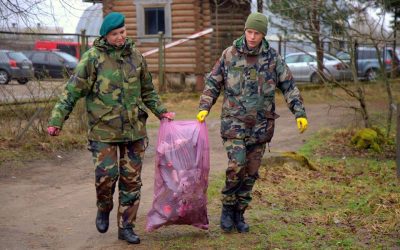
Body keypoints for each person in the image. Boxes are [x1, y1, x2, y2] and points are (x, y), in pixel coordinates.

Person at [47, 12, 174, 244]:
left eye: (122, 32)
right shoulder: (93, 58)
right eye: (115, 34)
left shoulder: (136, 57)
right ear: (106, 36)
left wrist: (161, 111)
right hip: (103, 130)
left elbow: (148, 91)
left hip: (134, 130)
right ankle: (104, 206)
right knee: (106, 177)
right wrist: (57, 120)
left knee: (132, 181)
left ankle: (126, 226)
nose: (120, 37)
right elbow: (71, 91)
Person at [196, 12, 308, 233]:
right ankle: (227, 209)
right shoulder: (229, 55)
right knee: (236, 166)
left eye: (257, 33)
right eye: (249, 31)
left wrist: (300, 113)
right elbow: (213, 82)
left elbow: (289, 86)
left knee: (251, 173)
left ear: (263, 34)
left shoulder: (273, 58)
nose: (252, 36)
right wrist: (204, 107)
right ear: (244, 30)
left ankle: (240, 213)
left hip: (260, 126)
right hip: (234, 124)